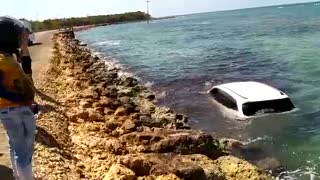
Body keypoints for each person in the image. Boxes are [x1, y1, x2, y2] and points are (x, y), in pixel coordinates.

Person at [0, 16, 37, 180]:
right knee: (24, 153)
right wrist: (20, 99)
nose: (21, 36)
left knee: (15, 147)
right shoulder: (2, 59)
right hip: (17, 110)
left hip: (9, 110)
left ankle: (19, 176)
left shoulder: (7, 56)